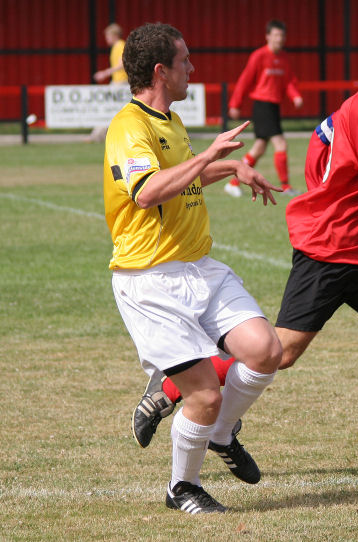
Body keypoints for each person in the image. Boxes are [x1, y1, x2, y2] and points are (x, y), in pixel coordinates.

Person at [133, 22, 358, 480]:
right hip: (328, 251)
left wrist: (329, 192)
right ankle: (172, 385)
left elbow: (320, 152)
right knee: (279, 354)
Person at [104, 22, 284, 514]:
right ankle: (181, 487)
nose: (194, 69)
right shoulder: (129, 127)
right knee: (203, 394)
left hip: (197, 268)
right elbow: (147, 192)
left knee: (266, 350)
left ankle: (223, 434)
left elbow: (183, 178)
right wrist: (209, 154)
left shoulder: (170, 121)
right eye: (186, 61)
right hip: (150, 281)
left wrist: (231, 167)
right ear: (161, 71)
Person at [224, 19, 303, 198]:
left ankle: (233, 182)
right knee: (280, 143)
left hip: (273, 106)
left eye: (282, 35)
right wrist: (235, 104)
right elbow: (245, 80)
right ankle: (286, 186)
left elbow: (289, 81)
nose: (279, 39)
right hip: (262, 105)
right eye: (275, 35)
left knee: (259, 148)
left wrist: (295, 95)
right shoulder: (259, 56)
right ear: (268, 36)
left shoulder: (284, 57)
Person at [87, 23, 127, 143]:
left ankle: (97, 136)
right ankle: (98, 135)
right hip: (118, 82)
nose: (106, 39)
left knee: (107, 108)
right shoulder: (117, 46)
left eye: (108, 36)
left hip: (120, 82)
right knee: (110, 109)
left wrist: (105, 73)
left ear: (114, 35)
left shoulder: (120, 45)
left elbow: (122, 64)